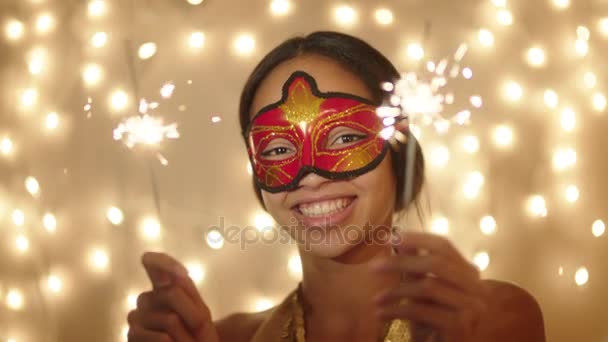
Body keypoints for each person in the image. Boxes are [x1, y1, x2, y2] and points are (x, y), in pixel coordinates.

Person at [126, 31, 546, 342]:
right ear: (257, 173)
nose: (312, 175)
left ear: (397, 149)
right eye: (277, 148)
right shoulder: (228, 338)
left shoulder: (492, 319)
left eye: (344, 137)